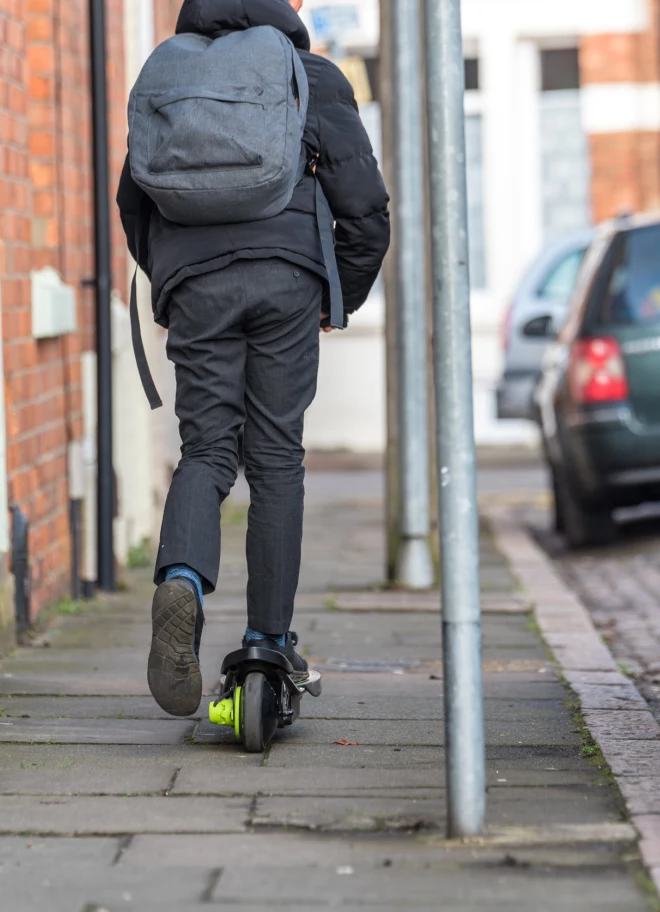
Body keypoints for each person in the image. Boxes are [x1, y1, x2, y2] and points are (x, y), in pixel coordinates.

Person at [117, 0, 390, 717]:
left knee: (206, 449)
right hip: (286, 278)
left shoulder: (167, 72)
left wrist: (173, 277)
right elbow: (366, 210)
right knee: (275, 459)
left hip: (196, 285)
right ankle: (268, 645)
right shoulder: (310, 74)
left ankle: (181, 579)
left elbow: (132, 199)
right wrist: (337, 296)